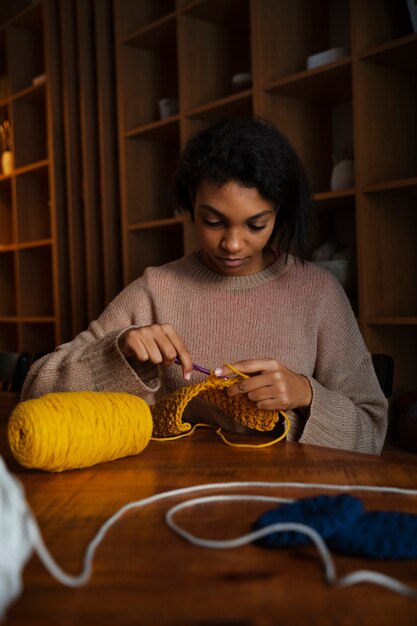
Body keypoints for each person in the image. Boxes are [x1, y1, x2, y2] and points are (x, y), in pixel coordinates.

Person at [21, 117, 388, 454]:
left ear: (280, 213)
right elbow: (35, 392)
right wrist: (118, 351)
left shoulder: (318, 292)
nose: (231, 243)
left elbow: (372, 432)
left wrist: (307, 395)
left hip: (291, 500)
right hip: (169, 494)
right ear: (191, 205)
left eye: (255, 225)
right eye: (212, 221)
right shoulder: (156, 290)